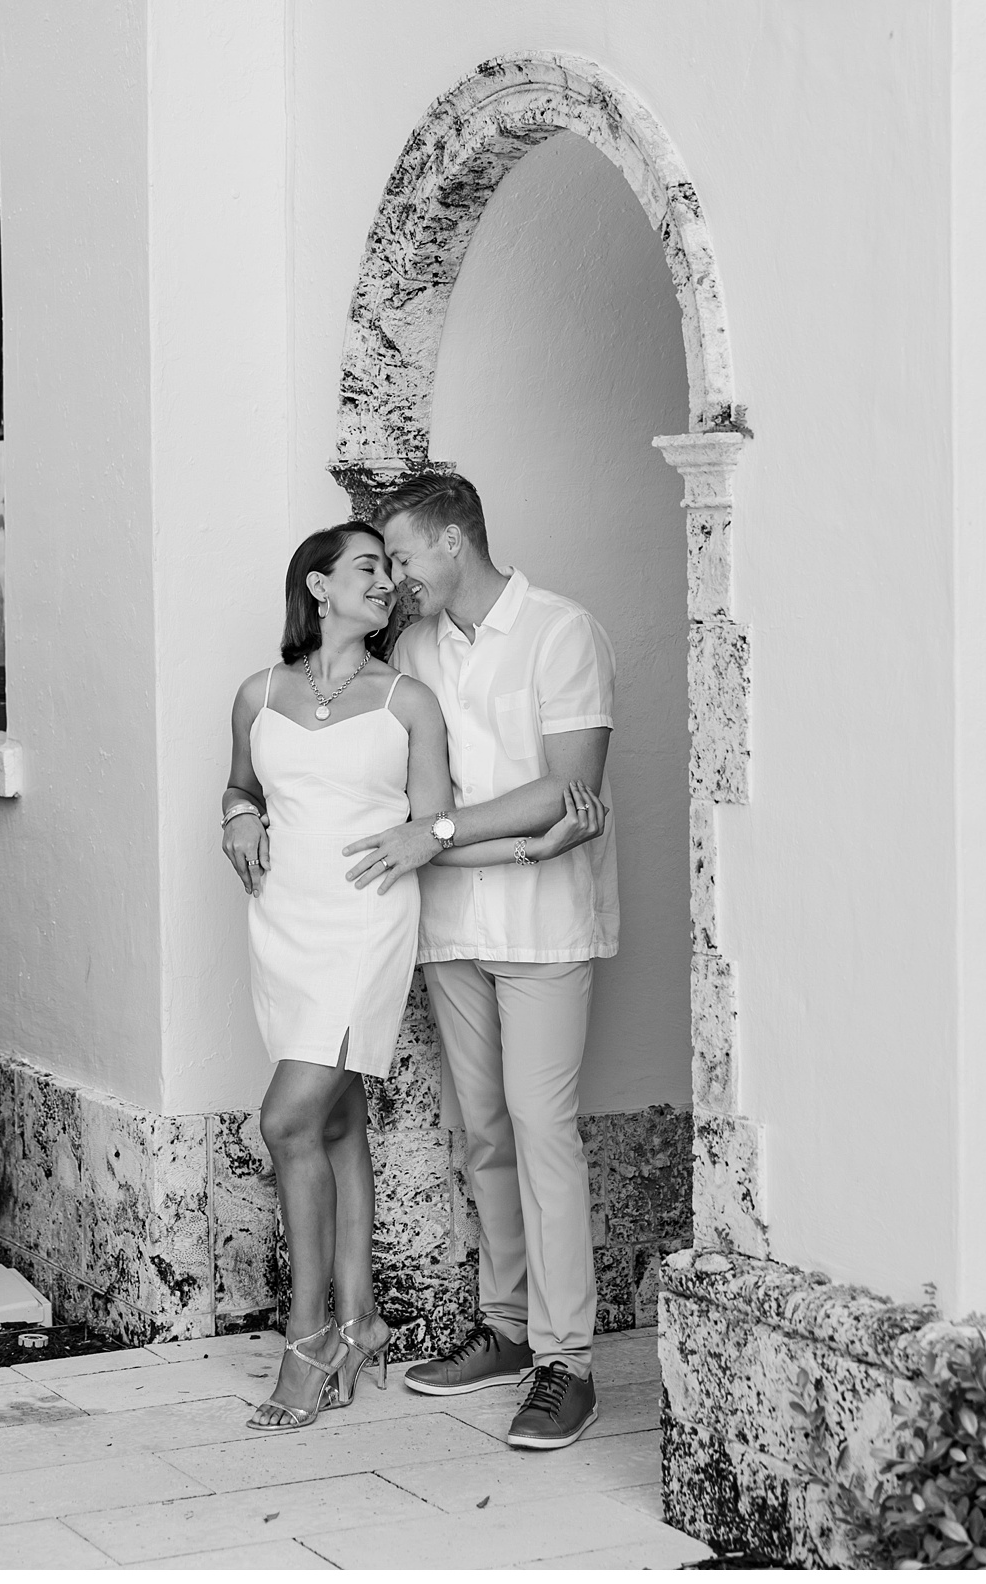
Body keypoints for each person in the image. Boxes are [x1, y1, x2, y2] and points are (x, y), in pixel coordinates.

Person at [222, 519, 608, 1432]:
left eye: (395, 564)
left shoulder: (421, 692)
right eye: (370, 567)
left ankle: (313, 1337)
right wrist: (235, 818)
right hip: (287, 925)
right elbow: (243, 786)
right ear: (316, 587)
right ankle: (368, 1324)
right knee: (366, 1116)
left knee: (289, 1119)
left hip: (372, 924)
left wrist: (529, 849)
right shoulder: (266, 690)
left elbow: (434, 831)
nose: (390, 581)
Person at [343, 474, 619, 1451]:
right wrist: (467, 840)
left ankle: (568, 1365)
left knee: (546, 1133)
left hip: (547, 930)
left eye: (406, 555)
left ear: (454, 541)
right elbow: (403, 808)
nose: (399, 576)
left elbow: (569, 792)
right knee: (485, 1131)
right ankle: (504, 1331)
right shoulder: (417, 649)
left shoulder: (560, 632)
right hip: (453, 928)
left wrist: (442, 831)